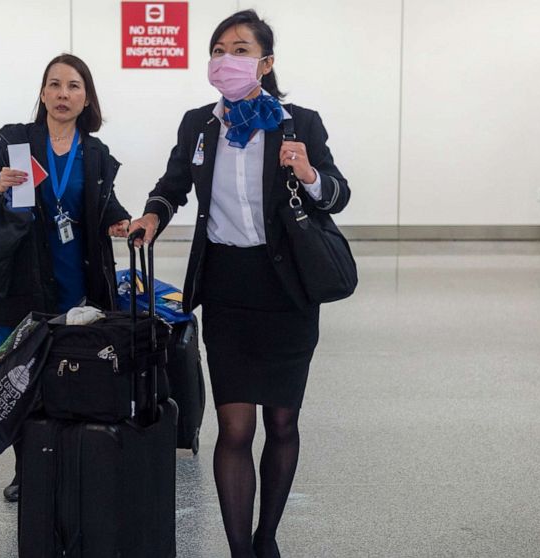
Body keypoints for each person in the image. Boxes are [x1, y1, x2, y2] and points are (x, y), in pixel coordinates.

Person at [128, 10, 350, 558]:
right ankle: (239, 551)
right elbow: (173, 182)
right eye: (220, 48)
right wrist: (151, 216)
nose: (228, 59)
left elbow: (337, 195)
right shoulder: (200, 124)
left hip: (287, 290)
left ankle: (266, 536)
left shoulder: (299, 123)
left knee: (281, 420)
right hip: (226, 285)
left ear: (266, 62)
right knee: (234, 427)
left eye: (241, 49)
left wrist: (308, 174)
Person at [0, 53, 131, 502]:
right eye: (55, 85)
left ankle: (69, 459)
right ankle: (28, 470)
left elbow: (105, 207)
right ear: (42, 94)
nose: (63, 94)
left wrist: (121, 223)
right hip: (22, 280)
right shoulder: (17, 140)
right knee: (19, 377)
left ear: (86, 98)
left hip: (78, 285)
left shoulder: (96, 153)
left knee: (71, 377)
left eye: (74, 86)